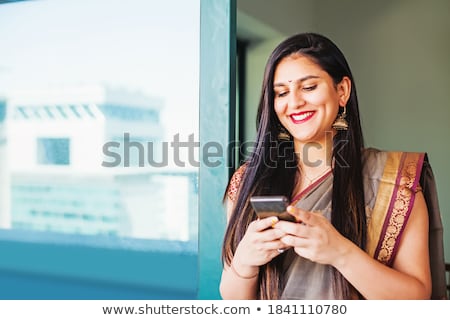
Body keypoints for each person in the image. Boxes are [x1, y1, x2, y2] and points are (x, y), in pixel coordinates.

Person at [220, 32, 446, 300]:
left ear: (342, 91)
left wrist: (340, 252)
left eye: (309, 87)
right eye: (281, 92)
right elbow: (233, 302)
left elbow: (417, 301)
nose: (294, 103)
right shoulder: (248, 180)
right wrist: (245, 264)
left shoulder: (395, 180)